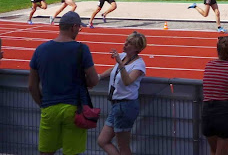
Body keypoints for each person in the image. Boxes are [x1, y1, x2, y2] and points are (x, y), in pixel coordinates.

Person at [28, 11, 99, 155]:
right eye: (79, 28)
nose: (79, 31)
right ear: (73, 27)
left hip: (49, 107)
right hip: (74, 109)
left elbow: (32, 85)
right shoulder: (82, 49)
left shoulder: (40, 49)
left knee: (46, 151)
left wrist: (42, 104)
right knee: (72, 152)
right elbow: (94, 80)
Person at [97, 31, 147, 155]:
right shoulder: (123, 56)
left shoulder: (139, 65)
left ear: (136, 48)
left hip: (126, 106)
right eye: (126, 40)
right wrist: (100, 76)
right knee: (102, 140)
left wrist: (120, 63)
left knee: (123, 146)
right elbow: (114, 70)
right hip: (116, 105)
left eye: (129, 43)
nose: (125, 44)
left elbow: (127, 81)